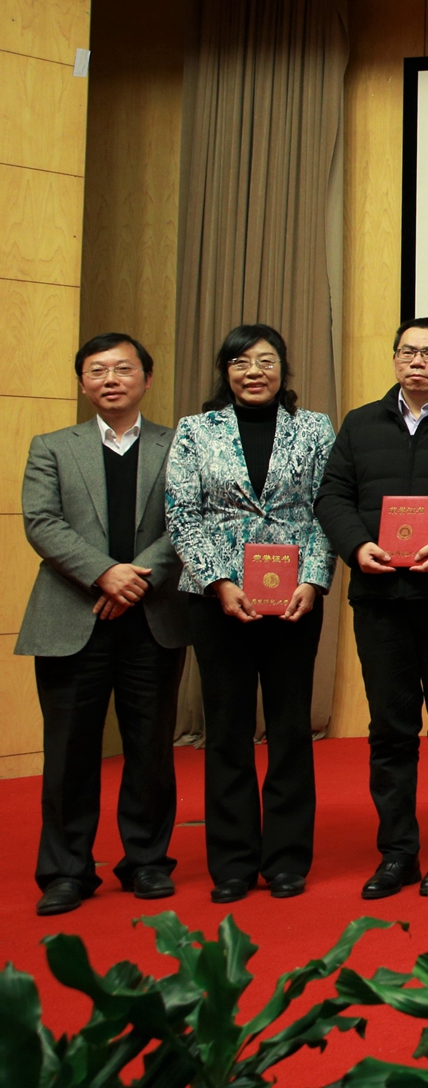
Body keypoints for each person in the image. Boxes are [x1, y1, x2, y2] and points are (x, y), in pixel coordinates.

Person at [315, 317, 428, 900]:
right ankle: (397, 853)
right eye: (408, 352)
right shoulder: (361, 423)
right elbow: (333, 495)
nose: (417, 362)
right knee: (390, 728)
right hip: (381, 597)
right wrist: (356, 546)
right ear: (394, 359)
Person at [19, 333, 190, 916]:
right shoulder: (51, 447)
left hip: (152, 616)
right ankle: (66, 870)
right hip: (72, 616)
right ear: (82, 382)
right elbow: (42, 522)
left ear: (146, 378)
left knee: (150, 747)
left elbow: (188, 519)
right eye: (98, 370)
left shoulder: (179, 444)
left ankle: (146, 861)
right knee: (69, 751)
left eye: (123, 369)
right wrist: (104, 574)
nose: (111, 379)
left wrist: (135, 579)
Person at [165, 324, 334, 902]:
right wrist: (217, 580)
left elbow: (327, 508)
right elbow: (182, 512)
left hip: (294, 599)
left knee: (290, 728)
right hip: (218, 599)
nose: (253, 371)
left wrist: (314, 578)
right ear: (226, 371)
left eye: (265, 361)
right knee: (227, 730)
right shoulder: (196, 430)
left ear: (283, 369)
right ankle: (233, 863)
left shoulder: (313, 428)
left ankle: (286, 859)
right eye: (240, 362)